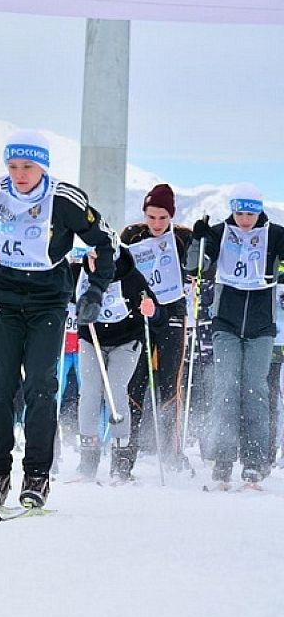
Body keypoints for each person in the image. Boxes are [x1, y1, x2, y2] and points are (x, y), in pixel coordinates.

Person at [0, 130, 116, 509]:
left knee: (41, 386)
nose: (20, 174)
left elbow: (105, 242)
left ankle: (37, 475)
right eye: (13, 166)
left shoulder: (63, 199)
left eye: (28, 166)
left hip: (49, 298)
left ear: (43, 166)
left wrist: (94, 291)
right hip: (7, 297)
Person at [186, 183, 284, 486]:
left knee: (255, 389)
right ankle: (223, 460)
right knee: (226, 387)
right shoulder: (218, 233)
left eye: (250, 213)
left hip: (262, 324)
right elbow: (195, 266)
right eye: (239, 212)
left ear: (259, 211)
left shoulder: (277, 234)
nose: (244, 220)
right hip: (225, 321)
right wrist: (196, 240)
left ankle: (255, 461)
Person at [72, 246, 162, 482]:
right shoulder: (79, 273)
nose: (96, 264)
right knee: (90, 391)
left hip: (126, 341)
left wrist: (150, 309)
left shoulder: (130, 276)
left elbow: (154, 308)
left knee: (115, 392)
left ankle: (122, 458)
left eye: (101, 259)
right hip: (91, 339)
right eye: (93, 258)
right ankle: (88, 458)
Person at [120, 184, 191, 468]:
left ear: (171, 216)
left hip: (173, 311)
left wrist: (197, 274)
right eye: (152, 217)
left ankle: (173, 455)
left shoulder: (184, 237)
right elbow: (120, 267)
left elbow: (203, 265)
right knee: (133, 382)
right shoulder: (132, 235)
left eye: (162, 218)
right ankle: (125, 455)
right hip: (141, 312)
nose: (157, 224)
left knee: (169, 384)